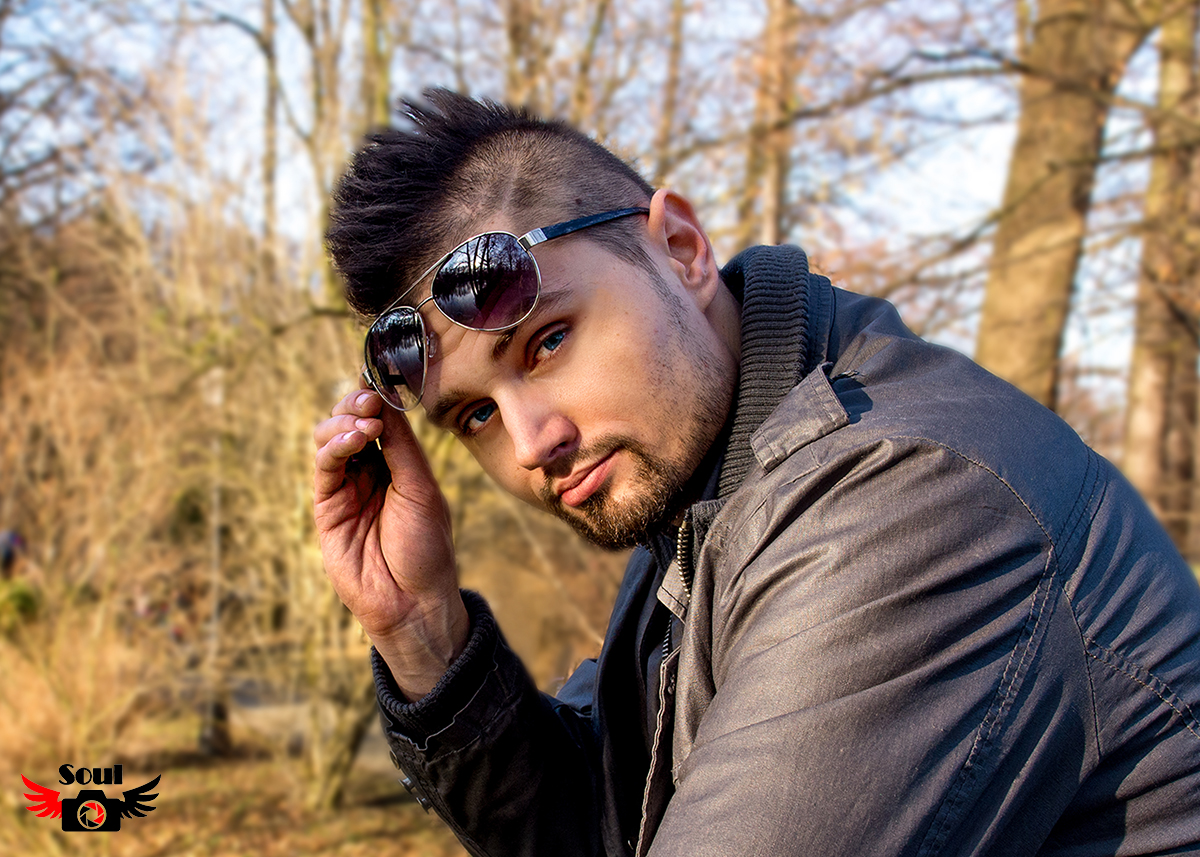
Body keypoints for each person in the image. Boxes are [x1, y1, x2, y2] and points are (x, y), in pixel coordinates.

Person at [313, 89, 1200, 857]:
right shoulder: (706, 499)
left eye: (547, 343)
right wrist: (424, 635)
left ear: (681, 248)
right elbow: (611, 827)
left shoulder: (906, 501)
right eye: (475, 415)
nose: (531, 442)